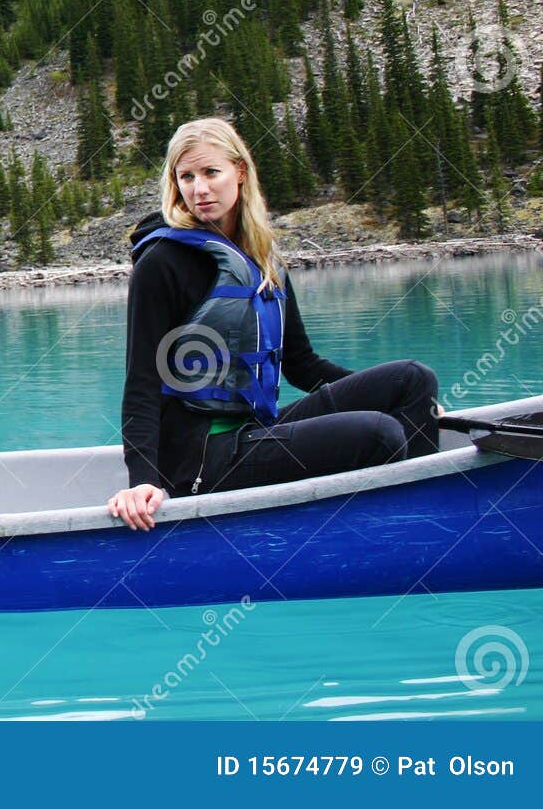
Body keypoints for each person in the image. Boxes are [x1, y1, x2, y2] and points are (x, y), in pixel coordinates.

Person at [107, 118, 441, 532]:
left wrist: (386, 399)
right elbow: (141, 382)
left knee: (412, 381)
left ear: (240, 172)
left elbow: (302, 364)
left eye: (212, 172)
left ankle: (430, 513)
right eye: (186, 177)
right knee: (379, 434)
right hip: (202, 457)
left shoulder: (263, 259)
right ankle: (411, 531)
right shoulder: (161, 262)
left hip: (255, 429)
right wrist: (142, 481)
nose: (200, 189)